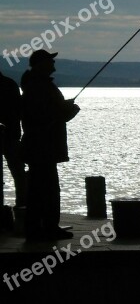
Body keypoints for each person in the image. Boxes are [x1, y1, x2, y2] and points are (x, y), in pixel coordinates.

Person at [20, 50, 79, 240]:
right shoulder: (39, 86)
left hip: (39, 146)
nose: (54, 65)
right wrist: (68, 111)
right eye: (50, 61)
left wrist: (64, 109)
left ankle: (37, 228)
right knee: (48, 189)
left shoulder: (35, 85)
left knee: (39, 189)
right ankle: (48, 228)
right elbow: (46, 117)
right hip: (43, 147)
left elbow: (48, 113)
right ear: (41, 64)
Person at [0, 70, 26, 209]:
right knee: (18, 173)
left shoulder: (10, 85)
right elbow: (19, 111)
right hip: (13, 135)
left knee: (18, 173)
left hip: (11, 135)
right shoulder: (10, 84)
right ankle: (22, 206)